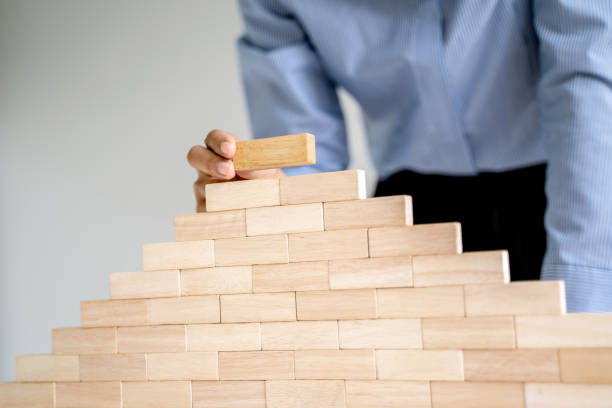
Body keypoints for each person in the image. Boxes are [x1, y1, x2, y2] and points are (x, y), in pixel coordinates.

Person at [186, 1, 612, 312]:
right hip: (412, 211)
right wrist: (269, 208)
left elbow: (587, 86)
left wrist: (584, 296)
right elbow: (306, 165)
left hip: (577, 187)